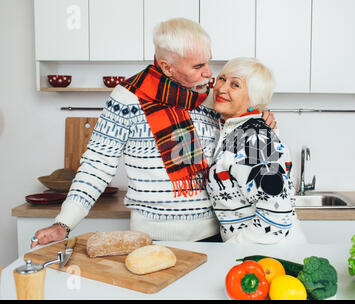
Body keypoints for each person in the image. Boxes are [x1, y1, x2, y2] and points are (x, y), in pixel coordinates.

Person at [30, 18, 276, 248]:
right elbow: (97, 166)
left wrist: (260, 117)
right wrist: (64, 223)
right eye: (198, 65)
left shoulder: (211, 99)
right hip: (148, 240)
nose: (209, 73)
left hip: (214, 237)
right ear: (168, 67)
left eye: (209, 61)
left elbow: (241, 132)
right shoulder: (127, 100)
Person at [207, 57, 305, 244]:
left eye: (235, 84)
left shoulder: (254, 139)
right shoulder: (235, 131)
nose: (222, 88)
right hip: (257, 253)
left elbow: (276, 219)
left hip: (270, 257)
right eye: (221, 79)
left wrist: (230, 250)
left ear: (254, 98)